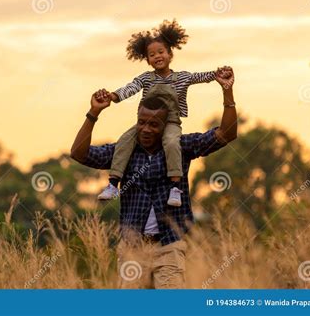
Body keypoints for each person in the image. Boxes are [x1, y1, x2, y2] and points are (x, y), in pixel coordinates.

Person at [70, 67, 237, 288]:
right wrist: (94, 113)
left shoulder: (179, 147)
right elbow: (79, 153)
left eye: (153, 124)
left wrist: (227, 92)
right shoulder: (124, 151)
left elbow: (227, 134)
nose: (146, 129)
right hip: (132, 249)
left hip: (168, 247)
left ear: (166, 125)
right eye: (142, 122)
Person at [97, 19, 228, 208]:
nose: (157, 56)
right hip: (146, 123)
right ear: (147, 60)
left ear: (170, 54)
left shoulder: (182, 77)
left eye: (161, 52)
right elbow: (130, 88)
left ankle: (175, 187)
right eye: (152, 54)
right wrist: (113, 96)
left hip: (171, 122)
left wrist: (217, 74)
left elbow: (201, 77)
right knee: (125, 140)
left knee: (172, 142)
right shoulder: (145, 78)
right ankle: (113, 184)